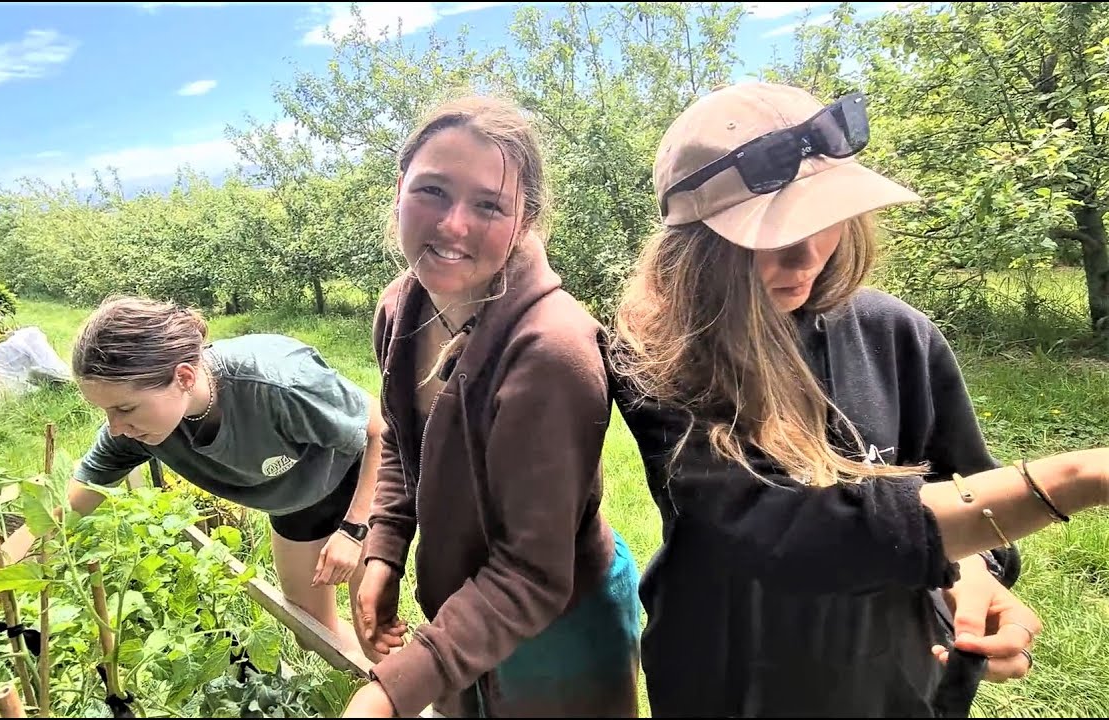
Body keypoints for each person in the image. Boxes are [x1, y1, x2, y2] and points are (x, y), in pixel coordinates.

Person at [606, 80, 1109, 718]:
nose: (808, 252)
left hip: (892, 681)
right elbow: (792, 533)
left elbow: (965, 481)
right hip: (728, 680)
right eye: (771, 228)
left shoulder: (898, 335)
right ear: (697, 247)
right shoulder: (659, 361)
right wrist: (1076, 479)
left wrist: (973, 571)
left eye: (824, 216)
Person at [0, 296, 386, 718]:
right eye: (105, 412)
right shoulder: (134, 433)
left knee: (371, 616)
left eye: (124, 408)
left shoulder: (275, 381)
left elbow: (380, 429)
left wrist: (357, 530)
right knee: (308, 624)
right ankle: (356, 688)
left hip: (359, 483)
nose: (116, 429)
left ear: (185, 376)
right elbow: (40, 536)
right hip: (288, 500)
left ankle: (402, 691)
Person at [340, 95, 641, 718]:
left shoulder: (552, 354)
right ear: (398, 189)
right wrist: (385, 545)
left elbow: (533, 574)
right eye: (432, 191)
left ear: (523, 216)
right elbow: (401, 438)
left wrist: (391, 690)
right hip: (463, 615)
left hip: (561, 625)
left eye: (487, 204)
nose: (453, 225)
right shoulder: (403, 306)